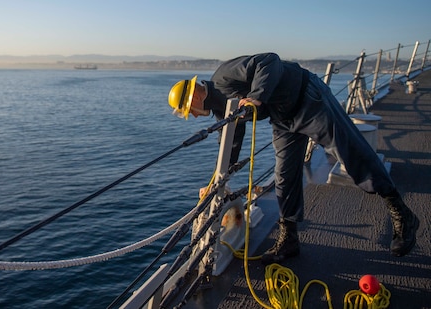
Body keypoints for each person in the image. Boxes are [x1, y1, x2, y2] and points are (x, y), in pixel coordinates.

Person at [167, 53, 419, 265]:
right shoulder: (222, 109)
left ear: (195, 97)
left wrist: (257, 96)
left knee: (349, 152)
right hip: (284, 118)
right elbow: (231, 141)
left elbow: (269, 61)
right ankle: (289, 240)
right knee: (284, 175)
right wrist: (218, 179)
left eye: (190, 111)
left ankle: (401, 213)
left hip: (308, 99)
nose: (195, 117)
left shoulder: (224, 74)